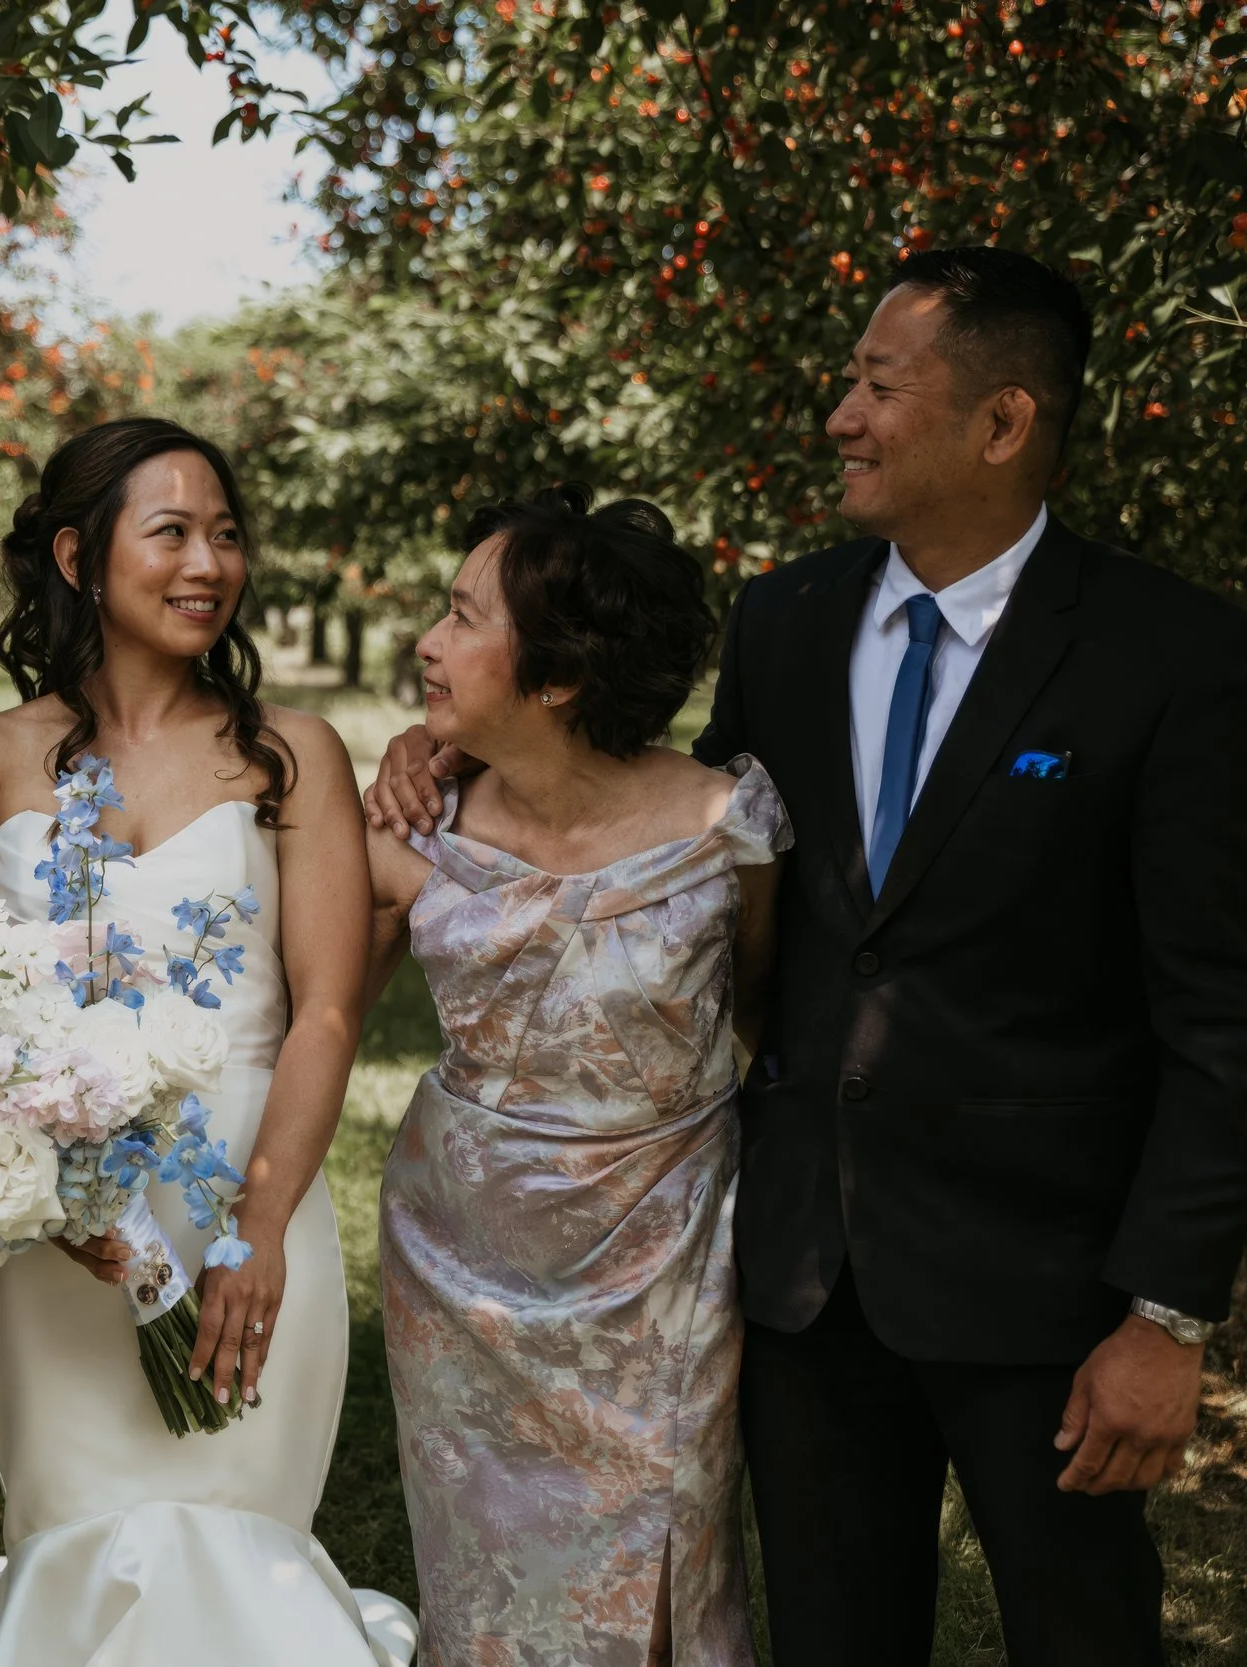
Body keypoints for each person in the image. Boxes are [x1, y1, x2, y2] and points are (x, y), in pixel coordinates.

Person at [368, 248, 1247, 1666]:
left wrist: (1164, 1312)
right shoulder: (789, 622)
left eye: (879, 385)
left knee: (1083, 1634)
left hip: (1041, 1287)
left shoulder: (1177, 659)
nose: (841, 418)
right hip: (797, 1273)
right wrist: (439, 737)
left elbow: (1233, 1016)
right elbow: (659, 809)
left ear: (1002, 423)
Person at [0, 416, 408, 1667]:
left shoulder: (292, 753)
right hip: (54, 1236)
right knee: (77, 1544)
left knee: (234, 1548)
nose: (210, 561)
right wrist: (40, 1193)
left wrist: (255, 1226)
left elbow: (325, 1008)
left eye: (228, 533)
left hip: (252, 1190)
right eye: (174, 531)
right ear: (80, 556)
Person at [361, 488, 785, 1667]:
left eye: (458, 617)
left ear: (554, 677)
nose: (427, 644)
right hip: (456, 1257)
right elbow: (314, 1016)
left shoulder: (727, 825)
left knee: (667, 1553)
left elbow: (762, 1008)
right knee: (482, 1573)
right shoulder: (415, 819)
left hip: (664, 1256)